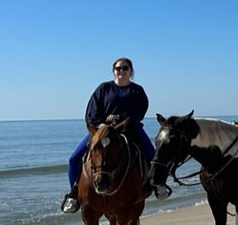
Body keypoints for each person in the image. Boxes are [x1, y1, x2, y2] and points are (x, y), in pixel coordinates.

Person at [60, 57, 171, 213]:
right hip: (102, 131)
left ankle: (158, 185)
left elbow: (140, 110)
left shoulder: (137, 90)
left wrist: (120, 119)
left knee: (151, 154)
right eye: (118, 68)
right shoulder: (103, 88)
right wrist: (101, 124)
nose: (121, 71)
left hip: (130, 128)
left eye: (125, 68)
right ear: (114, 71)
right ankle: (73, 194)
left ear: (130, 71)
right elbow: (91, 111)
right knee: (74, 158)